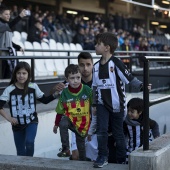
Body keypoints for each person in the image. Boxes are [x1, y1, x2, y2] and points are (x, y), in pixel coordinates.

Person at [92, 32, 144, 168]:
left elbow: (130, 78)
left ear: (107, 47)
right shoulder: (95, 66)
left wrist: (143, 86)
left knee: (118, 133)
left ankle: (121, 160)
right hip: (102, 104)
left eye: (98, 44)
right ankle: (102, 156)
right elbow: (94, 88)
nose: (95, 46)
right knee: (101, 130)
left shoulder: (116, 63)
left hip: (117, 105)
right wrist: (94, 104)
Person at [0, 61, 58, 156]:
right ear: (15, 74)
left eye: (24, 73)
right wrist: (9, 118)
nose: (21, 76)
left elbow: (45, 100)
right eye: (18, 73)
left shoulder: (33, 86)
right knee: (20, 151)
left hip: (31, 121)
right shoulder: (10, 89)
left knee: (29, 143)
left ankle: (30, 164)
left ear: (28, 74)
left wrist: (56, 94)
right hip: (17, 125)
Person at [53, 64, 92, 161]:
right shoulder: (64, 93)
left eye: (78, 77)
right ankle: (66, 149)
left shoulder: (87, 90)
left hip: (83, 124)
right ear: (66, 79)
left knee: (81, 148)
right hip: (70, 121)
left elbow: (95, 106)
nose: (75, 81)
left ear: (81, 77)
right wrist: (56, 124)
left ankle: (83, 162)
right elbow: (60, 111)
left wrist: (92, 128)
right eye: (72, 78)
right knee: (63, 122)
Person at [124, 97, 160, 164]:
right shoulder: (126, 122)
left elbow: (155, 125)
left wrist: (156, 135)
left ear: (140, 112)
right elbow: (123, 133)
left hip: (146, 148)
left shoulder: (145, 120)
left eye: (132, 112)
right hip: (132, 148)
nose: (129, 113)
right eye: (128, 110)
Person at [0, 5, 26, 78]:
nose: (8, 16)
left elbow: (9, 42)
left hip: (7, 57)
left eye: (9, 14)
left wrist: (18, 47)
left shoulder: (6, 25)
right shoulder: (2, 25)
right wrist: (19, 16)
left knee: (8, 80)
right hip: (1, 58)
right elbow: (10, 25)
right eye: (6, 14)